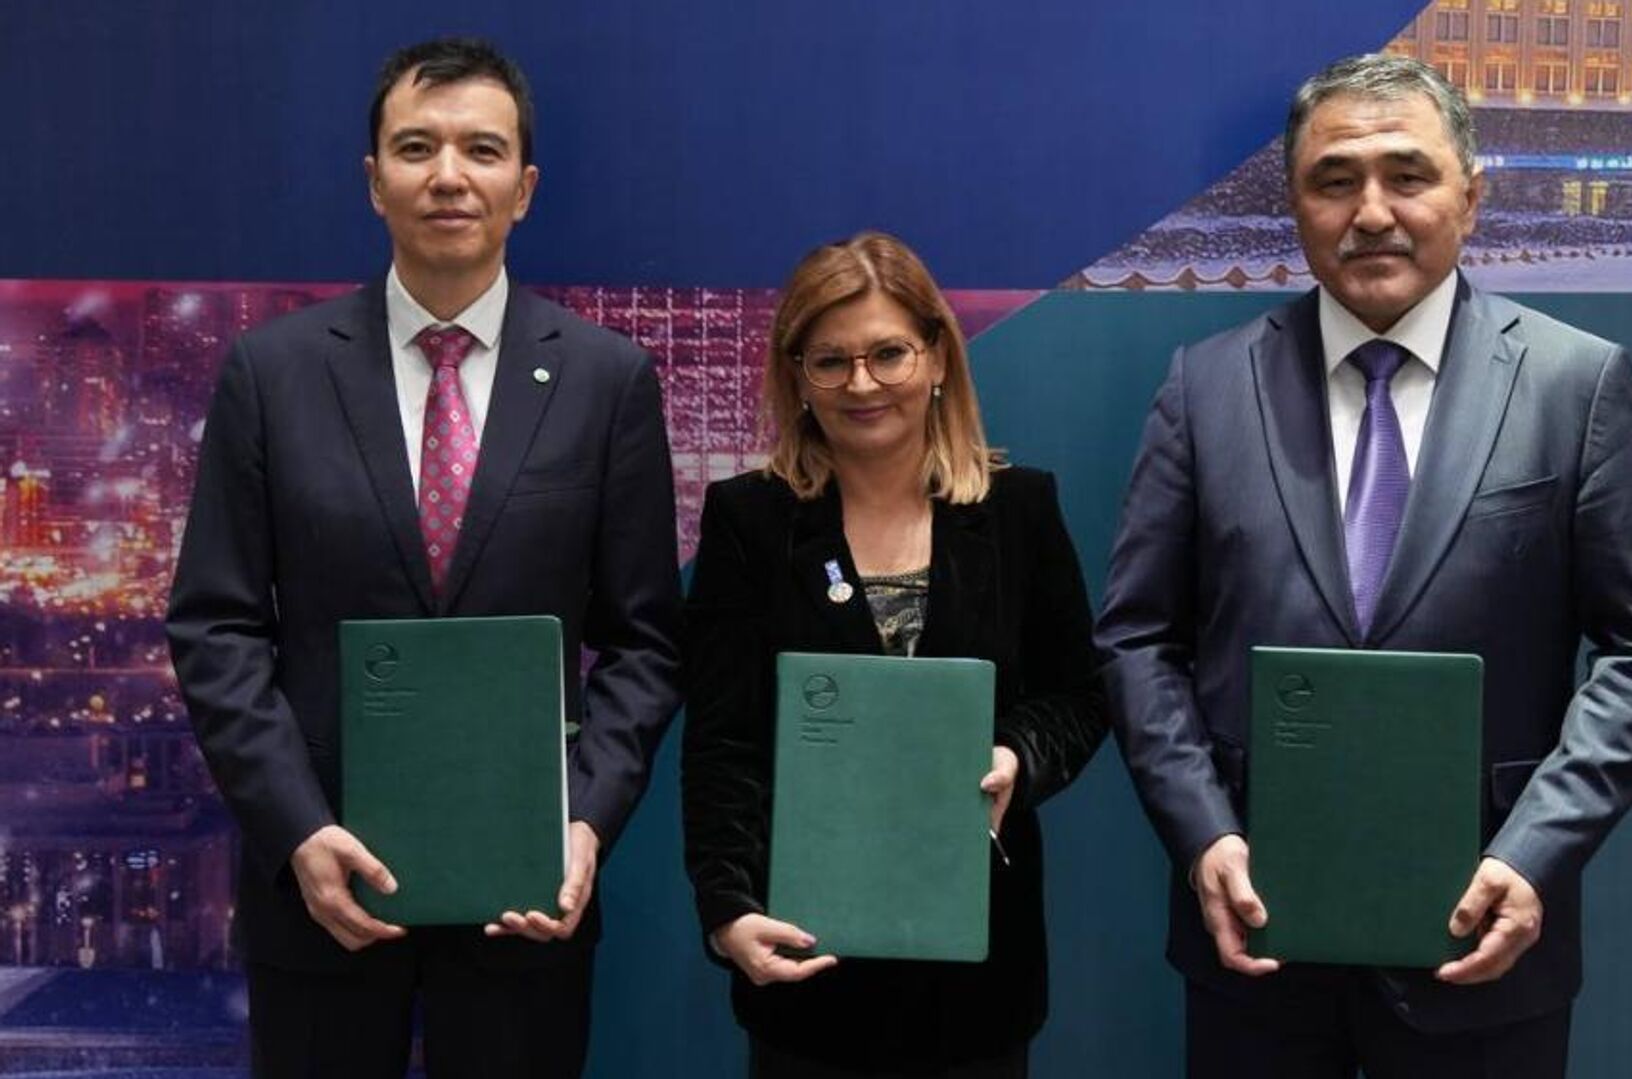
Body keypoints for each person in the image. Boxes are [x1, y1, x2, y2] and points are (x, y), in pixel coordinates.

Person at [1096, 53, 1632, 1078]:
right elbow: (1137, 636)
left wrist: (1533, 852)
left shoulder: (1577, 384)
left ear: (1471, 195)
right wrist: (1202, 835)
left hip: (1485, 936)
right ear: (1296, 205)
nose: (1371, 211)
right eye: (1335, 180)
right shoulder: (1205, 388)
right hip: (1257, 937)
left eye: (1407, 175)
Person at [165, 37, 680, 1078]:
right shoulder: (272, 373)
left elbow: (645, 642)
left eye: (482, 150)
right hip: (323, 889)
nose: (449, 175)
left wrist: (583, 822)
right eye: (417, 147)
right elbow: (216, 624)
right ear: (374, 180)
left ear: (523, 188)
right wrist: (297, 831)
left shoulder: (607, 380)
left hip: (527, 896)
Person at [681, 231, 1107, 1077]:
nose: (862, 383)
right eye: (830, 361)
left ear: (938, 356)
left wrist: (1016, 756)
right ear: (798, 376)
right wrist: (727, 906)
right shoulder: (749, 522)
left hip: (977, 974)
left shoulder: (1019, 510)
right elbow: (723, 740)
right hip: (804, 958)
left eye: (888, 353)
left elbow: (1079, 694)